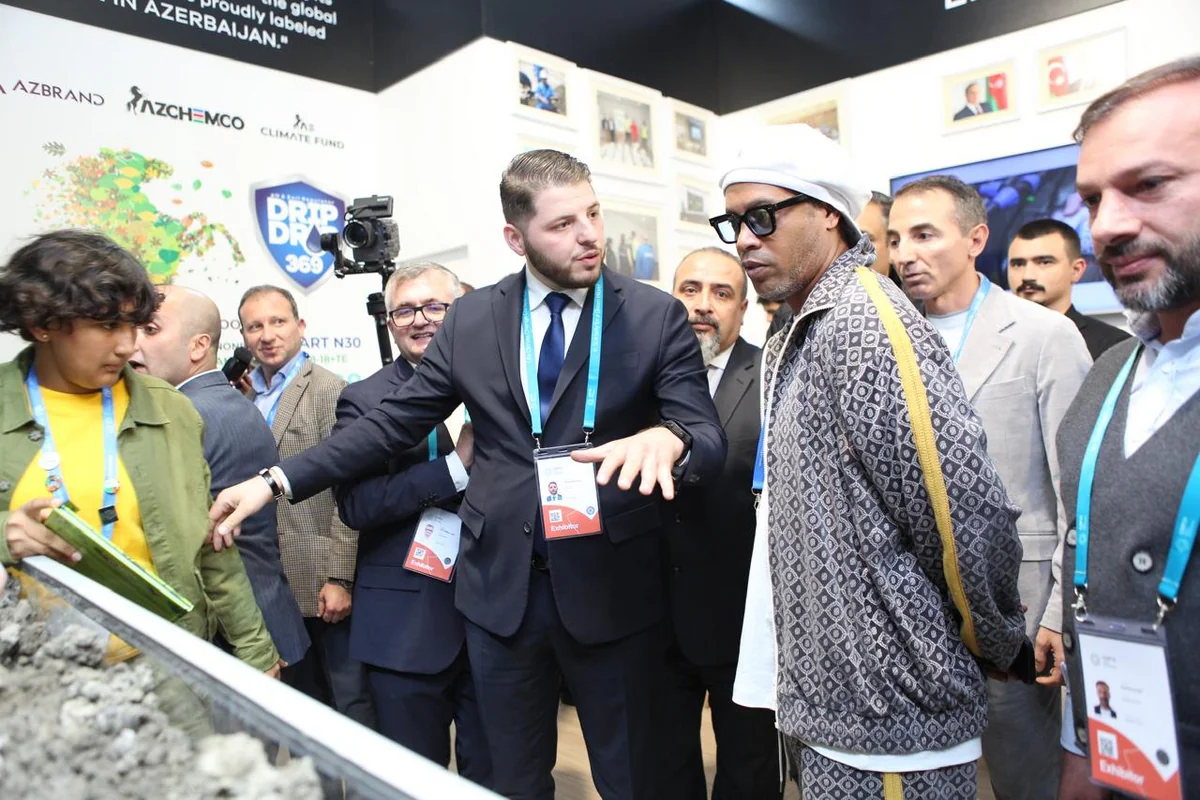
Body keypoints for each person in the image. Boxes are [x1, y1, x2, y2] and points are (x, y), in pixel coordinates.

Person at [209, 149, 726, 800]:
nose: (590, 234)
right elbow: (387, 425)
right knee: (511, 780)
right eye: (563, 224)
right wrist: (276, 480)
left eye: (593, 213)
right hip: (499, 599)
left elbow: (705, 437)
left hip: (612, 589)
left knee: (634, 778)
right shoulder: (475, 320)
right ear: (516, 237)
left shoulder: (653, 317)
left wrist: (670, 438)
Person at [718, 125, 1030, 799]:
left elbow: (959, 511)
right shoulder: (797, 327)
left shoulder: (865, 321)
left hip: (894, 713)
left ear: (827, 213)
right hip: (836, 704)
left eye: (763, 218)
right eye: (735, 222)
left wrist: (995, 639)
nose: (745, 239)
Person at [0, 230, 279, 682]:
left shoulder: (170, 409)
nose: (128, 346)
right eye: (108, 325)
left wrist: (255, 650)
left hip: (167, 666)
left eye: (135, 326)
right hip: (31, 677)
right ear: (42, 323)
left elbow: (210, 543)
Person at [891, 175, 1091, 800]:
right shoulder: (887, 340)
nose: (905, 255)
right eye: (895, 239)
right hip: (912, 609)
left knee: (1022, 776)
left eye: (925, 235)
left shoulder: (1043, 336)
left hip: (1018, 604)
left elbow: (1078, 490)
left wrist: (1059, 615)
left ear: (976, 238)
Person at [1057, 56, 1200, 800]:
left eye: (1148, 186)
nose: (1108, 225)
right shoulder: (1108, 373)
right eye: (1092, 197)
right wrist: (1081, 755)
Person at [332, 262, 490, 785]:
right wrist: (452, 470)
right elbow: (356, 506)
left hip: (501, 621)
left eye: (434, 307)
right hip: (407, 627)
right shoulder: (367, 400)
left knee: (502, 777)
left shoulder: (501, 387)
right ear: (390, 322)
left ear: (461, 310)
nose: (420, 320)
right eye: (404, 310)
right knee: (411, 782)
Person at [129, 284, 310, 670]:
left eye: (149, 330)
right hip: (271, 616)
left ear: (198, 346)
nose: (130, 345)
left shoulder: (187, 416)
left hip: (238, 636)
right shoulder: (235, 403)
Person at [661, 247, 779, 799]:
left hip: (743, 616)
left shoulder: (775, 377)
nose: (702, 306)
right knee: (665, 768)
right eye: (690, 290)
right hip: (653, 615)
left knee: (748, 770)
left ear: (744, 307)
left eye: (721, 293)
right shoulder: (637, 380)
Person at [237, 285, 374, 728]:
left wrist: (340, 576)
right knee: (299, 711)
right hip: (266, 581)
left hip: (319, 581)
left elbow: (346, 490)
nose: (267, 335)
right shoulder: (241, 397)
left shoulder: (332, 391)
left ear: (300, 327)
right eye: (254, 326)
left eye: (277, 322)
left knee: (349, 706)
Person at [1007, 218, 1130, 360]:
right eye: (1017, 264)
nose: (1027, 276)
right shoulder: (988, 340)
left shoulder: (1113, 347)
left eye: (1044, 262)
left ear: (1076, 270)